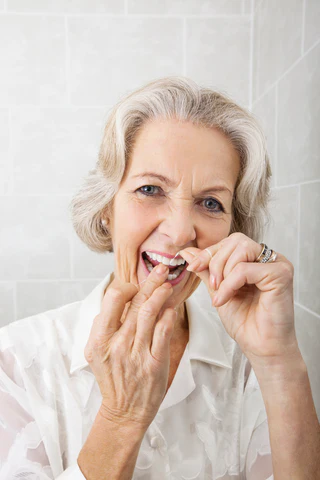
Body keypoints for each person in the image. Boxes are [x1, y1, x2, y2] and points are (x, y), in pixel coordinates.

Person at [0, 76, 319, 480]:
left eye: (210, 203)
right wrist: (121, 418)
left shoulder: (250, 369)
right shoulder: (14, 362)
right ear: (106, 209)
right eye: (150, 189)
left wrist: (280, 362)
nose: (181, 231)